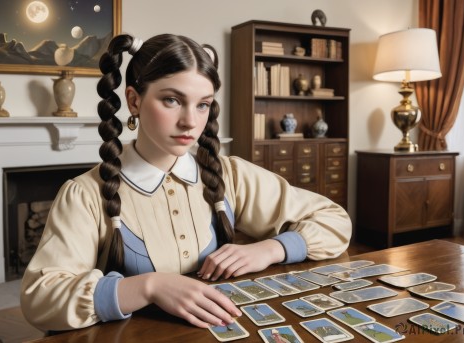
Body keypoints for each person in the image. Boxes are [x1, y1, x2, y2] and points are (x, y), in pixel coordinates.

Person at [20, 33, 352, 332]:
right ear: (134, 101)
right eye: (172, 100)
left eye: (203, 104)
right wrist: (149, 286)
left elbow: (334, 221)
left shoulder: (231, 174)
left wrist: (271, 249)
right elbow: (40, 299)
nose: (190, 121)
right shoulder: (84, 194)